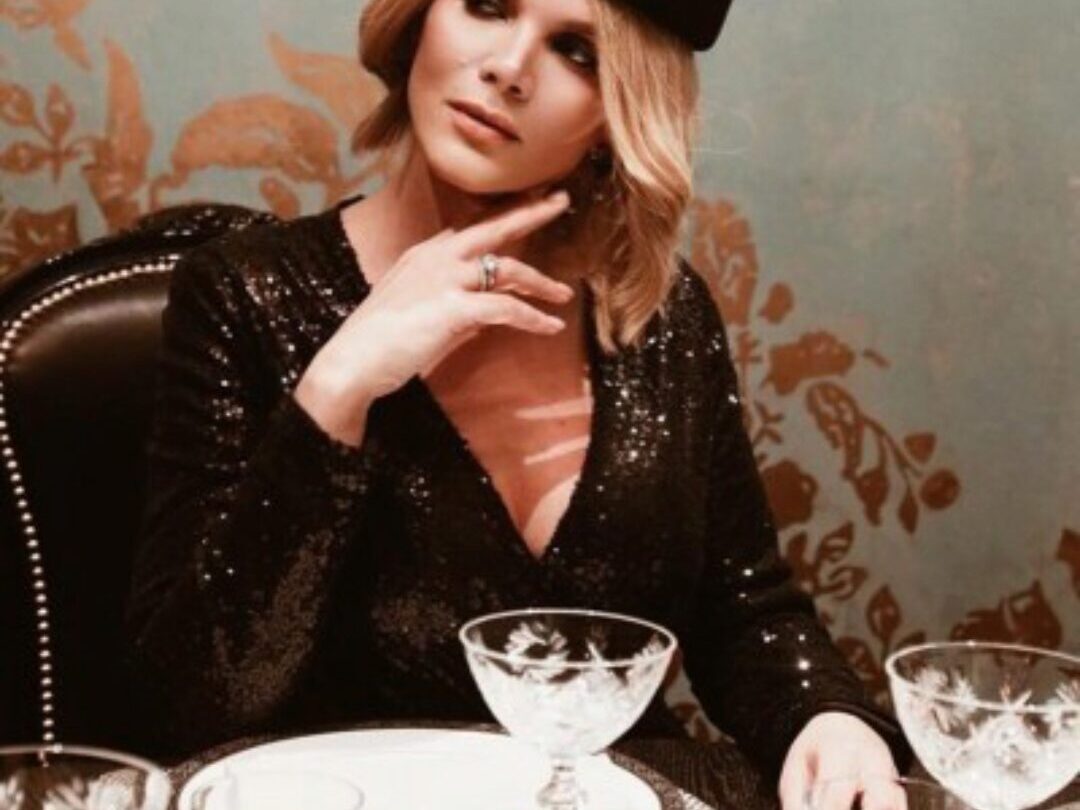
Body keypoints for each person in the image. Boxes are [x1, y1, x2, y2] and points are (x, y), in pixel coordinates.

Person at [126, 0, 911, 805]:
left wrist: (826, 717)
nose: (509, 68)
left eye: (576, 51)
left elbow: (744, 610)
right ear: (421, 20)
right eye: (489, 6)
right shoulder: (244, 295)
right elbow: (188, 707)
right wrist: (340, 385)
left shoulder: (661, 316)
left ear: (615, 114)